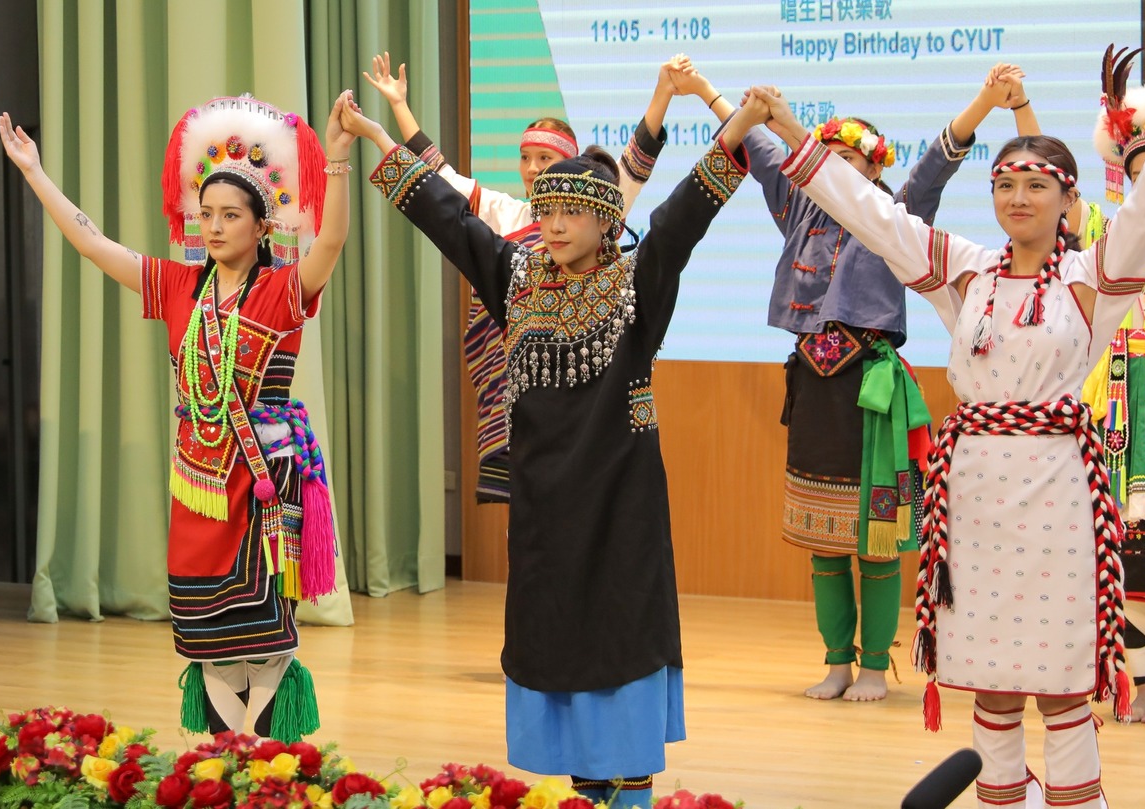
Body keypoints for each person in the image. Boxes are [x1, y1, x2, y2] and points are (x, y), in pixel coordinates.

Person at [749, 69, 1145, 806]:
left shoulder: (1092, 277)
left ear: (1069, 200)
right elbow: (871, 213)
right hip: (974, 499)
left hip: (1059, 498)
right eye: (1005, 184)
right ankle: (1005, 800)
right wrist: (789, 129)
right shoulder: (965, 271)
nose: (1017, 198)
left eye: (1037, 186)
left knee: (1063, 689)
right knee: (995, 688)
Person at [341, 79, 765, 807]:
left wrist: (744, 124)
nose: (556, 223)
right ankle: (585, 791)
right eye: (547, 210)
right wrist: (378, 140)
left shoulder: (639, 284)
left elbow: (683, 215)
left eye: (573, 211)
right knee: (560, 643)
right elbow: (446, 219)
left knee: (622, 639)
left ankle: (630, 794)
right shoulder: (516, 277)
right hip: (545, 508)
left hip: (622, 507)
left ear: (606, 219)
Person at [671, 60, 1034, 701]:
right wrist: (704, 89)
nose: (831, 166)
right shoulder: (796, 209)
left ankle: (873, 666)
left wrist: (984, 99)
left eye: (847, 158)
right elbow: (756, 141)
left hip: (871, 387)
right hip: (812, 386)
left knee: (878, 535)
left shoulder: (896, 213)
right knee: (822, 537)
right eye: (825, 154)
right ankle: (836, 660)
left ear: (872, 170)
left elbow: (939, 160)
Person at [0, 92, 355, 742]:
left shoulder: (281, 291)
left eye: (229, 215)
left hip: (265, 484)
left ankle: (268, 770)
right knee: (212, 641)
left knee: (266, 639)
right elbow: (90, 241)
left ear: (261, 224)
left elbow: (330, 238)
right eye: (206, 214)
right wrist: (34, 173)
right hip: (197, 486)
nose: (213, 227)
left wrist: (335, 158)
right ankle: (228, 761)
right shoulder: (177, 284)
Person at [364, 51, 681, 503]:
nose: (533, 169)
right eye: (525, 157)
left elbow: (634, 161)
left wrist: (663, 92)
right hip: (518, 381)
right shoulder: (504, 213)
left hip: (584, 392)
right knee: (528, 509)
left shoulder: (599, 211)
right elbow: (440, 179)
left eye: (545, 158)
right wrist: (398, 108)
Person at [1082, 46, 1145, 724]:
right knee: (1128, 563)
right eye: (1138, 176)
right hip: (1117, 424)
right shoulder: (1102, 234)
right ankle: (1142, 680)